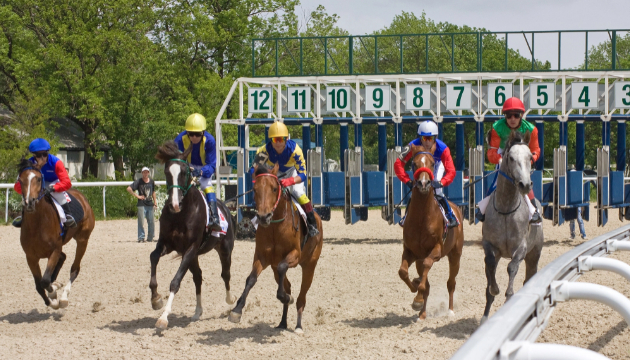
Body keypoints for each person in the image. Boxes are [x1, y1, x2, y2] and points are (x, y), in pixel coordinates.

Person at [475, 97, 542, 224]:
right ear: (505, 116)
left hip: (522, 157)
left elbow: (535, 150)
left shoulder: (531, 129)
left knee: (525, 181)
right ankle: (483, 210)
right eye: (509, 115)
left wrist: (530, 159)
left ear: (521, 115)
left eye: (516, 115)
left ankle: (535, 211)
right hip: (504, 154)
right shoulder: (497, 128)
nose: (512, 119)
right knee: (497, 182)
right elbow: (491, 152)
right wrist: (500, 160)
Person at [250, 121, 319, 237]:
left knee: (298, 192)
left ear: (286, 139)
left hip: (292, 172)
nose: (277, 143)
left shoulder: (295, 151)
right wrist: (258, 181)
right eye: (274, 140)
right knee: (263, 193)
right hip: (273, 172)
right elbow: (253, 170)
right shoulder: (264, 150)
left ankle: (312, 223)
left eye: (280, 139)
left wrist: (289, 181)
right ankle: (257, 220)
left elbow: (302, 174)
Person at [394, 120, 458, 228]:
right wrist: (407, 180)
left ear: (435, 138)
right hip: (421, 165)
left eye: (430, 138)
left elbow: (451, 171)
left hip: (436, 165)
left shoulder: (443, 148)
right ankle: (406, 217)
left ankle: (450, 215)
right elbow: (398, 164)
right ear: (420, 138)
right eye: (424, 138)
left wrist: (441, 183)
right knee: (415, 189)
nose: (427, 142)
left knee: (437, 190)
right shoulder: (412, 146)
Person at [12, 138, 76, 228]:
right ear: (34, 155)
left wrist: (54, 188)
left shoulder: (56, 162)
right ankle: (23, 217)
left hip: (54, 182)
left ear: (48, 153)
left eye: (45, 154)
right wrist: (26, 189)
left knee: (58, 194)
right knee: (28, 196)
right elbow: (18, 187)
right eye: (38, 155)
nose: (42, 157)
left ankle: (68, 215)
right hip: (37, 183)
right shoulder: (28, 164)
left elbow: (67, 182)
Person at [174, 113, 221, 232]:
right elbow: (176, 158)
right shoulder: (179, 139)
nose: (194, 137)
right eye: (191, 134)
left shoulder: (210, 141)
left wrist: (200, 172)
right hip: (186, 165)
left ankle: (214, 218)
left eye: (198, 134)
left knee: (206, 185)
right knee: (178, 186)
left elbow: (211, 165)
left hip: (204, 167)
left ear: (203, 132)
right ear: (187, 133)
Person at [127, 167, 157, 243]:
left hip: (150, 203)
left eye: (146, 172)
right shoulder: (138, 181)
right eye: (144, 172)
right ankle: (141, 237)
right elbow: (129, 188)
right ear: (142, 173)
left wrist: (155, 202)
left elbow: (153, 192)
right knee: (141, 221)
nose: (145, 173)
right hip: (141, 204)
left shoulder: (152, 182)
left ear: (148, 173)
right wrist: (137, 196)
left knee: (151, 221)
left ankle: (150, 237)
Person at [568, 165, 587, 240]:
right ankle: (574, 234)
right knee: (573, 219)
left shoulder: (577, 185)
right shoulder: (571, 184)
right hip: (573, 202)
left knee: (578, 218)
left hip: (576, 202)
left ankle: (583, 234)